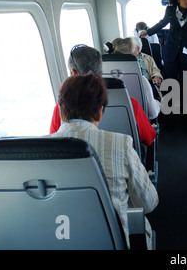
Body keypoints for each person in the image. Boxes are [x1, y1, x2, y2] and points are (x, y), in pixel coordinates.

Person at [47, 73, 159, 249]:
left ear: (60, 108)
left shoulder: (38, 151)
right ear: (100, 111)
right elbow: (148, 202)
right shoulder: (120, 144)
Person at [49, 44, 157, 147]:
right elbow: (149, 138)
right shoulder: (131, 104)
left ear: (74, 73)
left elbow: (55, 145)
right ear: (101, 69)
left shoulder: (60, 109)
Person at [111, 37, 161, 119]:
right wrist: (157, 104)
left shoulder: (103, 77)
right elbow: (153, 113)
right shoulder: (141, 81)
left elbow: (155, 70)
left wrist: (157, 76)